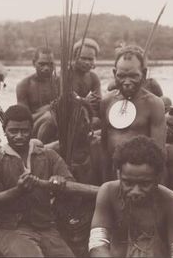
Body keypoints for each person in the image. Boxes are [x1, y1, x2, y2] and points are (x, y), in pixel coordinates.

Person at [0, 104, 75, 257]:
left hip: (46, 227)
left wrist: (60, 181)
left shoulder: (48, 155)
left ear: (32, 130)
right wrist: (17, 191)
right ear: (4, 130)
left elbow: (71, 184)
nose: (19, 136)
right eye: (13, 131)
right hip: (10, 229)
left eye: (24, 131)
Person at [89, 136, 173, 257]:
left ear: (158, 178)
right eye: (128, 183)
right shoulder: (108, 192)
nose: (136, 191)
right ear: (118, 174)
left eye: (145, 184)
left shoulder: (171, 202)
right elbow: (97, 245)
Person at [46, 98, 103, 257]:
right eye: (74, 122)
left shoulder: (100, 148)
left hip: (95, 209)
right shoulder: (52, 152)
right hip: (62, 212)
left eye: (84, 120)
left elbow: (109, 189)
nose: (82, 126)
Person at [100, 45, 166, 181]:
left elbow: (159, 154)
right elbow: (104, 150)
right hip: (113, 175)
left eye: (133, 76)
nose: (127, 82)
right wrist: (105, 183)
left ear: (144, 73)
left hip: (141, 179)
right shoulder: (107, 101)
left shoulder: (154, 104)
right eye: (121, 76)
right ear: (114, 73)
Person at [16, 47, 60, 143]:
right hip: (34, 128)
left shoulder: (60, 82)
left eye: (50, 64)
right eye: (42, 64)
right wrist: (49, 109)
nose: (46, 68)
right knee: (49, 117)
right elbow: (23, 119)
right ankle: (38, 150)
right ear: (34, 63)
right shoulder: (24, 85)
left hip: (60, 126)